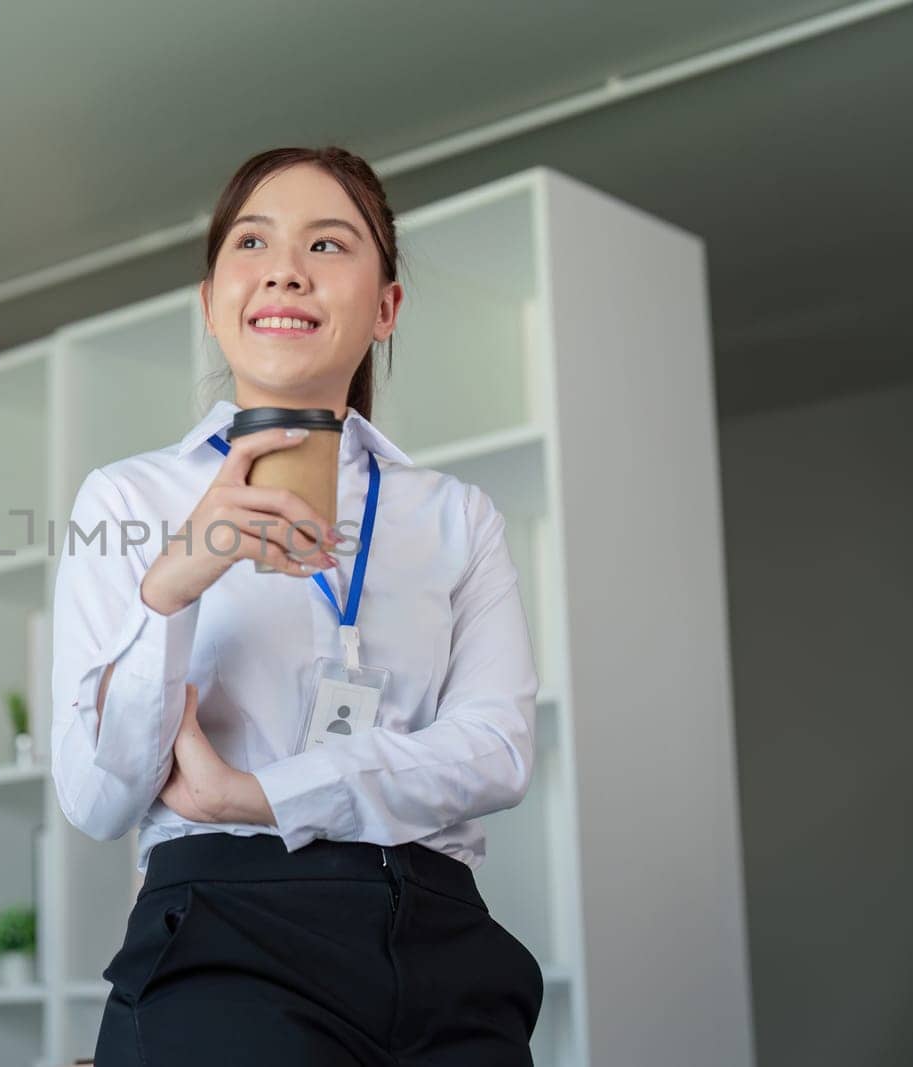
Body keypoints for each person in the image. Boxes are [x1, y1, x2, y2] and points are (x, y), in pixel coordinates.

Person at [50, 146, 544, 1066]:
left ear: (386, 307)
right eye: (252, 241)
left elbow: (498, 751)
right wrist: (176, 581)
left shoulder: (454, 515)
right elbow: (97, 794)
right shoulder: (126, 501)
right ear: (211, 301)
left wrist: (253, 793)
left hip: (441, 938)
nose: (285, 267)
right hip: (226, 934)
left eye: (328, 244)